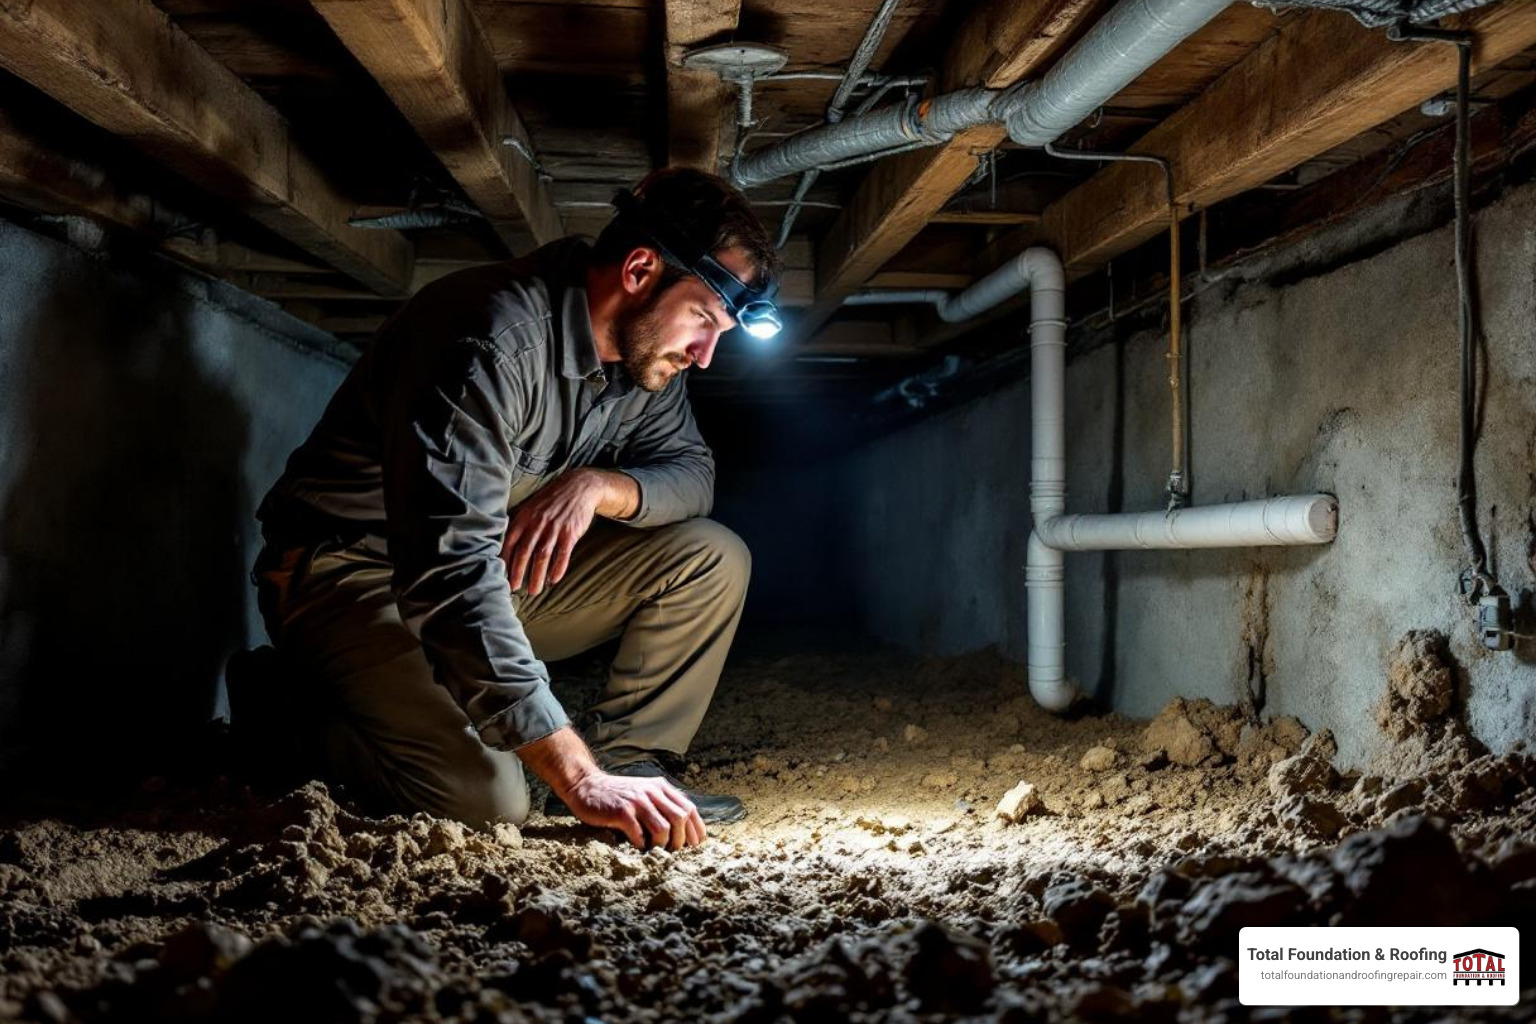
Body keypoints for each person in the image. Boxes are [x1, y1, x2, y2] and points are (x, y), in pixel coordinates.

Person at [244, 168, 782, 851]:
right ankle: (285, 713)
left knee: (709, 555)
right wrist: (573, 776)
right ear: (641, 270)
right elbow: (446, 575)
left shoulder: (645, 360)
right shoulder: (487, 340)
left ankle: (631, 766)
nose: (705, 357)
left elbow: (693, 474)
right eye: (703, 319)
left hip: (484, 569)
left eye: (722, 331)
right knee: (483, 801)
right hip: (350, 573)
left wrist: (596, 486)